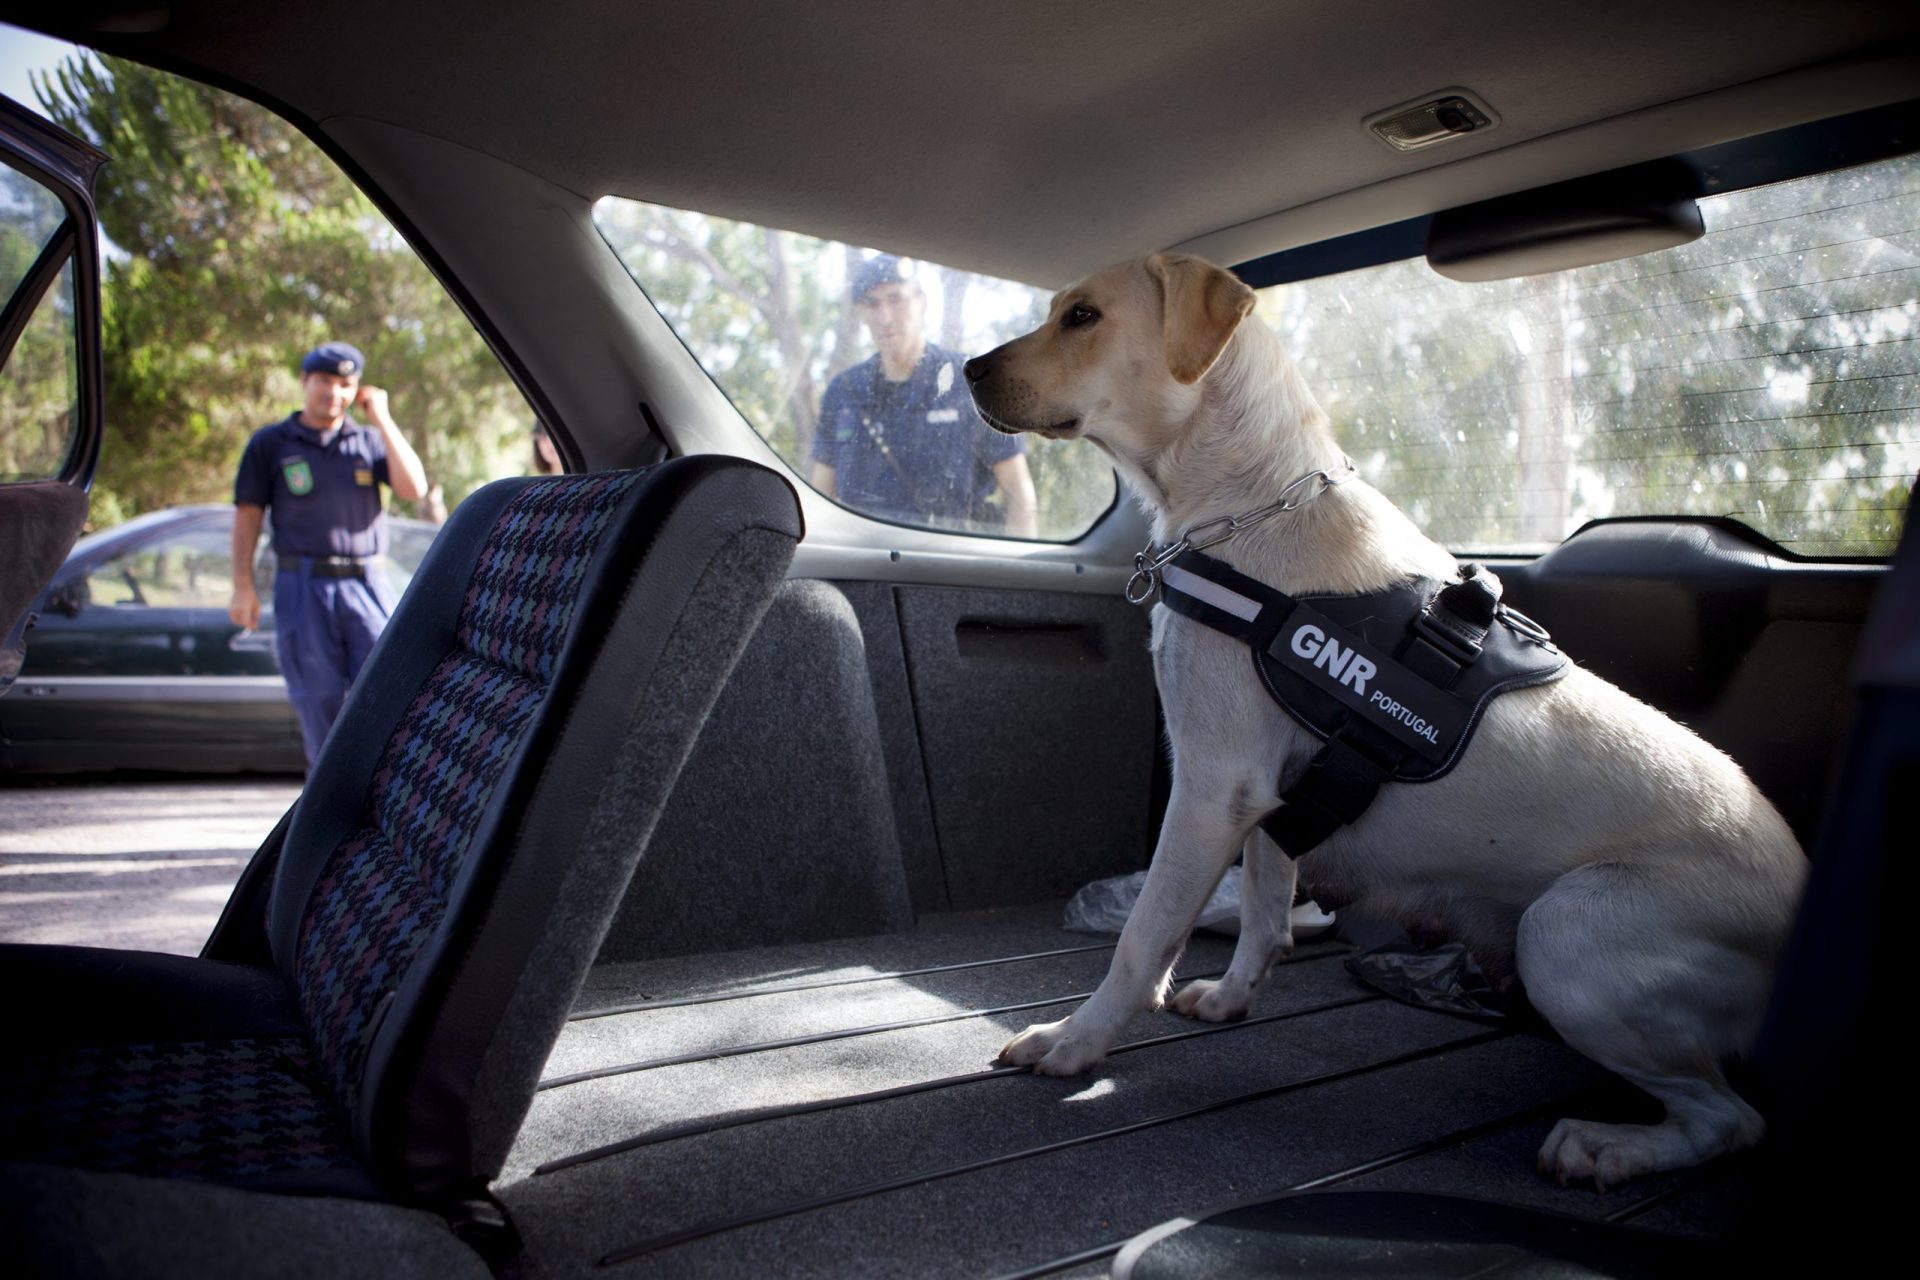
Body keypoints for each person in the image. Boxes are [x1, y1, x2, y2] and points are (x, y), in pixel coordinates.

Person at [228, 342, 429, 765]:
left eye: (344, 384)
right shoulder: (272, 443)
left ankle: (385, 798)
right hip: (303, 586)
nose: (332, 393)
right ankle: (328, 809)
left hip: (367, 583)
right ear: (304, 381)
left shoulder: (370, 441)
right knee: (317, 702)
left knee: (386, 693)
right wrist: (242, 586)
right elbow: (247, 516)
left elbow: (414, 488)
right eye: (324, 381)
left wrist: (383, 418)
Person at [811, 255, 1038, 536]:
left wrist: (1011, 575)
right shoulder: (844, 390)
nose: (885, 317)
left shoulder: (968, 380)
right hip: (863, 564)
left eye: (896, 299)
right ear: (861, 312)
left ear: (922, 302)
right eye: (872, 303)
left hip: (950, 563)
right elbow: (820, 493)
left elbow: (1018, 493)